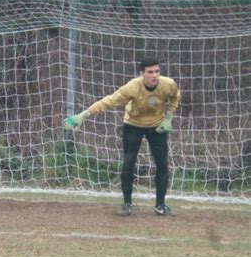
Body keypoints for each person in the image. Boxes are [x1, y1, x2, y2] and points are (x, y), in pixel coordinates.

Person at [65, 58, 181, 216]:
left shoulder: (168, 84)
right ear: (142, 74)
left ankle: (160, 205)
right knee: (128, 163)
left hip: (157, 127)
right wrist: (83, 115)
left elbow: (175, 98)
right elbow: (109, 101)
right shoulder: (132, 87)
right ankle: (127, 204)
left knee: (162, 164)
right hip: (133, 125)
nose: (154, 75)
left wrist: (168, 118)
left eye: (157, 71)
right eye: (150, 72)